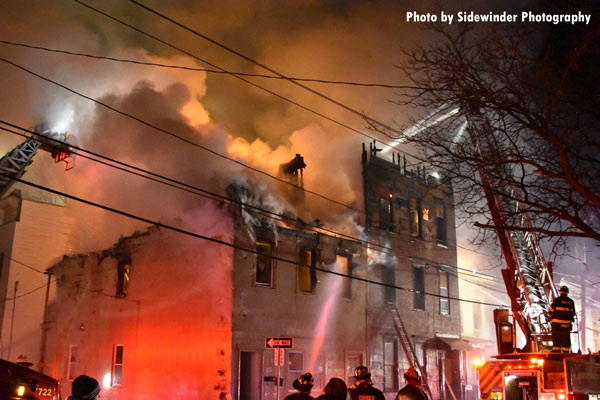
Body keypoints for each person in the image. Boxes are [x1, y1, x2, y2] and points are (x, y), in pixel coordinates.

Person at [549, 285, 576, 352]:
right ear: (567, 292)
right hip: (567, 324)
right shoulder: (571, 301)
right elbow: (573, 312)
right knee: (566, 338)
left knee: (556, 337)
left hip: (556, 324)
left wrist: (549, 317)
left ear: (560, 292)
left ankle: (556, 351)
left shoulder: (557, 300)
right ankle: (566, 351)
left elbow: (551, 311)